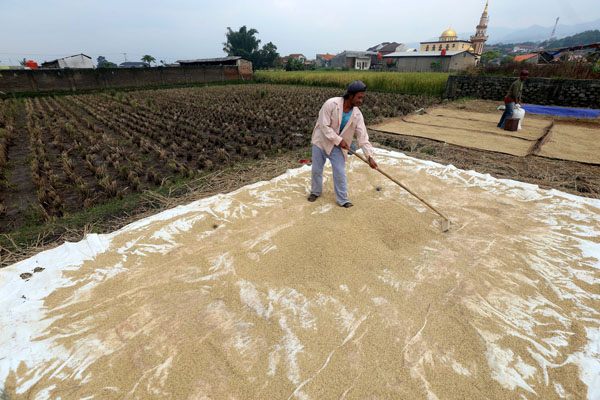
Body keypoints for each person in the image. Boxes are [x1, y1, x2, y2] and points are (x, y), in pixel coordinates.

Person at [308, 80, 377, 208]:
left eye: (362, 97)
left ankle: (343, 199)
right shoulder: (331, 104)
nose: (361, 100)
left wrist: (369, 156)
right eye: (359, 97)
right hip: (321, 142)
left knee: (340, 172)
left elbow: (363, 137)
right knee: (317, 170)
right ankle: (315, 192)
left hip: (337, 147)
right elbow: (324, 126)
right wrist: (339, 140)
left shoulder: (357, 115)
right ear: (350, 95)